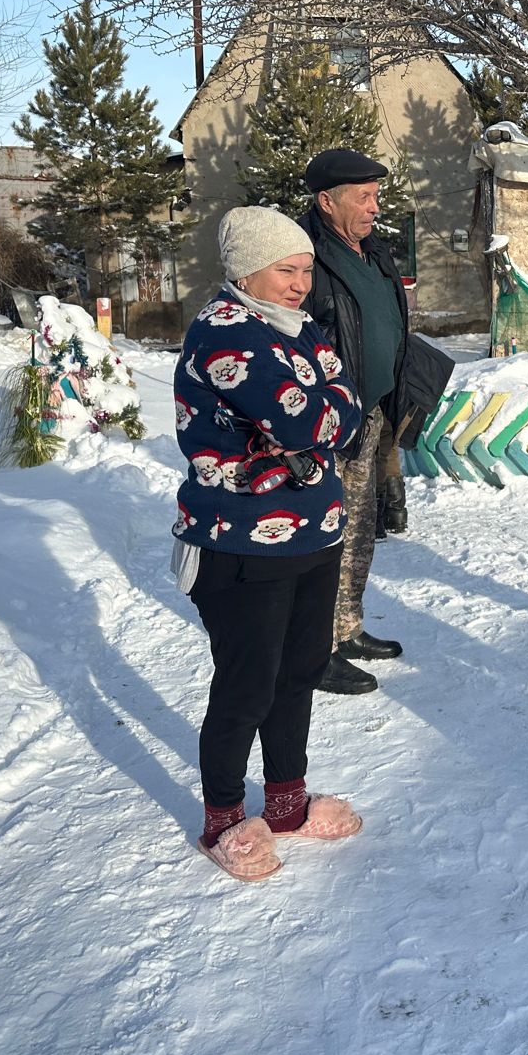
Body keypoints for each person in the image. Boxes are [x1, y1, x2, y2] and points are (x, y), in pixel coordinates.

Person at [173, 206, 368, 881]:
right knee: (248, 686)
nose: (301, 284)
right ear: (247, 269)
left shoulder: (298, 329)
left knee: (298, 673)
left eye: (307, 270)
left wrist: (309, 422)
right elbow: (308, 417)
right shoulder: (224, 332)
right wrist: (309, 420)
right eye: (287, 269)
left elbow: (348, 410)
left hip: (313, 531)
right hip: (242, 541)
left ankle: (286, 804)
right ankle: (223, 819)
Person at [298, 149, 410, 690]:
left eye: (376, 196)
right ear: (327, 201)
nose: (374, 207)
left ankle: (347, 629)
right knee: (324, 535)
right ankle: (314, 651)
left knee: (360, 528)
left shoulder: (373, 250)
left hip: (372, 412)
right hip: (329, 420)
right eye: (363, 197)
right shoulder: (304, 255)